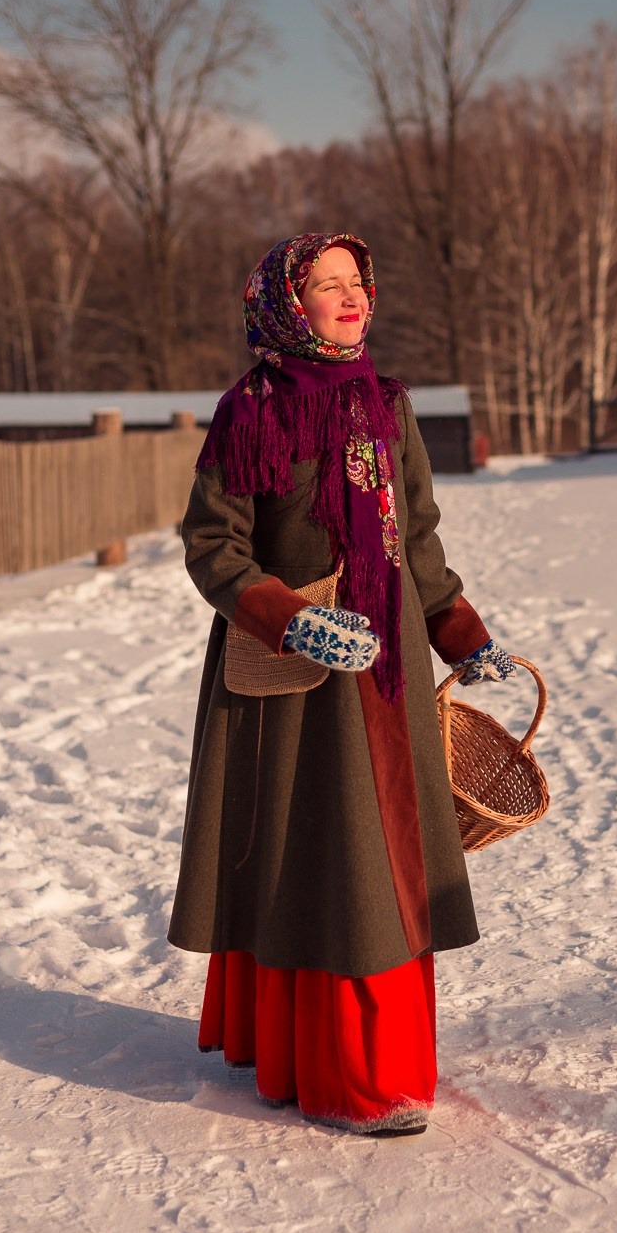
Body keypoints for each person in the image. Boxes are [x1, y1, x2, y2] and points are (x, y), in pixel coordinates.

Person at [168, 232, 514, 1137]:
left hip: (387, 670)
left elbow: (416, 537)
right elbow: (212, 548)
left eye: (356, 279)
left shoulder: (386, 403)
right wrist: (289, 620)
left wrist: (458, 631)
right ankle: (343, 1077)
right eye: (327, 284)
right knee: (324, 861)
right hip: (298, 681)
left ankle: (385, 1064)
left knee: (387, 861)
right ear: (287, 305)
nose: (351, 295)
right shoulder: (250, 410)